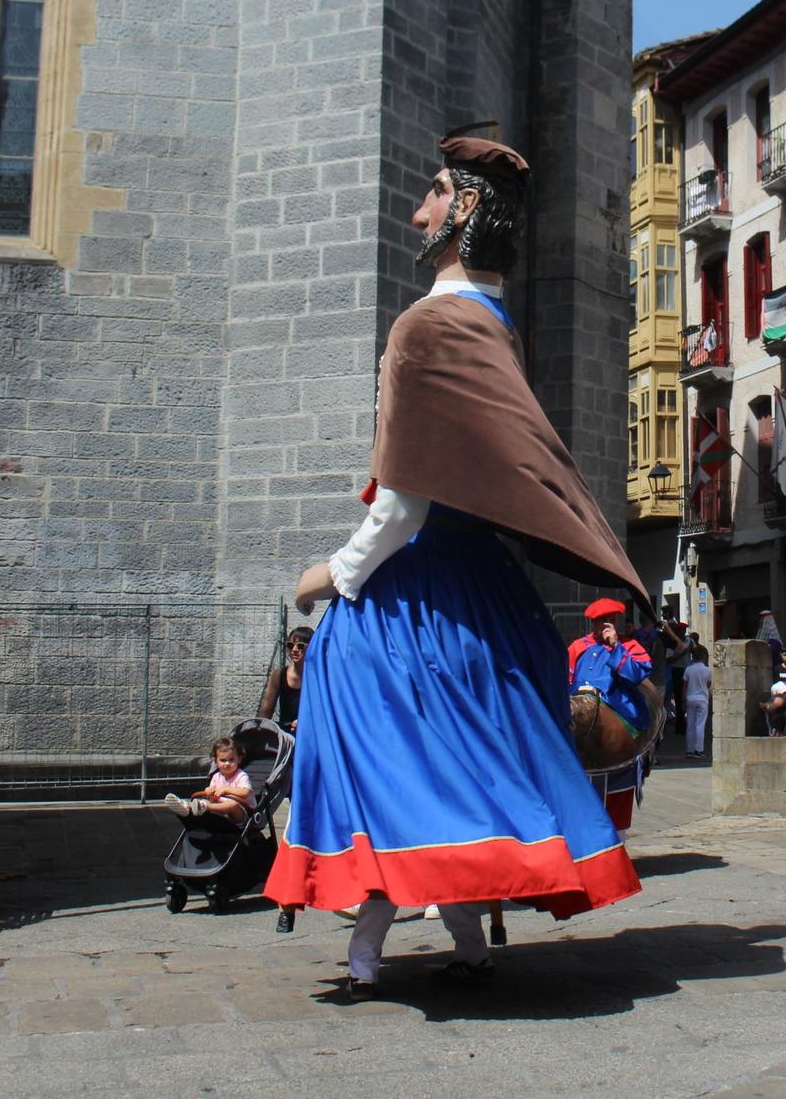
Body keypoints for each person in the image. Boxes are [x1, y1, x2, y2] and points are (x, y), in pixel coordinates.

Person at [265, 131, 645, 1001]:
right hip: (489, 600)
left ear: (466, 207)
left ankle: (370, 945)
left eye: (433, 193)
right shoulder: (499, 327)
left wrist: (334, 572)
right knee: (458, 766)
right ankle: (457, 940)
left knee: (377, 754)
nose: (418, 212)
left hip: (416, 598)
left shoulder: (427, 325)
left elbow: (406, 500)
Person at [568, 598, 653, 832]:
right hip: (578, 705)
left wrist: (616, 647)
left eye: (610, 619)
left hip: (617, 705)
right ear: (593, 622)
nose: (605, 624)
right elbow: (566, 679)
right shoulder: (577, 647)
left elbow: (637, 675)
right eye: (600, 620)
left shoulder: (630, 646)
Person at [165, 735, 253, 824]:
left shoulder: (241, 776)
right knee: (205, 801)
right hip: (220, 811)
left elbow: (245, 793)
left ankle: (203, 807)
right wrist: (209, 790)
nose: (227, 763)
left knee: (232, 805)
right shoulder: (216, 776)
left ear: (239, 759)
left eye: (231, 760)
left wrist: (226, 789)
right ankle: (187, 807)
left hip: (241, 813)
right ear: (216, 761)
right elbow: (212, 795)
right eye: (223, 760)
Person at [258, 624, 313, 733]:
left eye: (300, 646)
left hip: (310, 732)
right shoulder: (279, 675)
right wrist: (258, 728)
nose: (294, 650)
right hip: (285, 733)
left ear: (311, 647)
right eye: (290, 645)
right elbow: (266, 710)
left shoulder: (317, 677)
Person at [683, 647, 712, 757]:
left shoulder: (688, 669)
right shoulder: (708, 670)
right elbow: (708, 685)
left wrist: (683, 699)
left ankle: (689, 750)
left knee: (690, 724)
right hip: (702, 699)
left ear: (693, 657)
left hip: (690, 698)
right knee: (700, 725)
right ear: (705, 657)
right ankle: (699, 749)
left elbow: (684, 686)